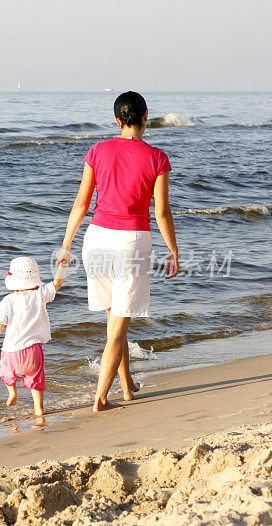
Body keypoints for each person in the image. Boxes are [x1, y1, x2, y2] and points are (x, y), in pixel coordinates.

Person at [57, 91, 179, 412]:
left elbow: (81, 203)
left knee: (115, 320)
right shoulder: (157, 158)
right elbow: (162, 212)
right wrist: (173, 251)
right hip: (131, 243)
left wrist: (66, 244)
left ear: (116, 119)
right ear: (145, 116)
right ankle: (99, 399)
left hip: (95, 240)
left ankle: (126, 386)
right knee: (117, 329)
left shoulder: (97, 151)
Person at [0, 257, 65, 416]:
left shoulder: (7, 300)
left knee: (6, 373)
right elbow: (57, 284)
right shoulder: (40, 295)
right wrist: (61, 268)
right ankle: (39, 409)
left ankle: (12, 392)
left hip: (11, 352)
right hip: (32, 351)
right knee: (36, 380)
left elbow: (0, 320)